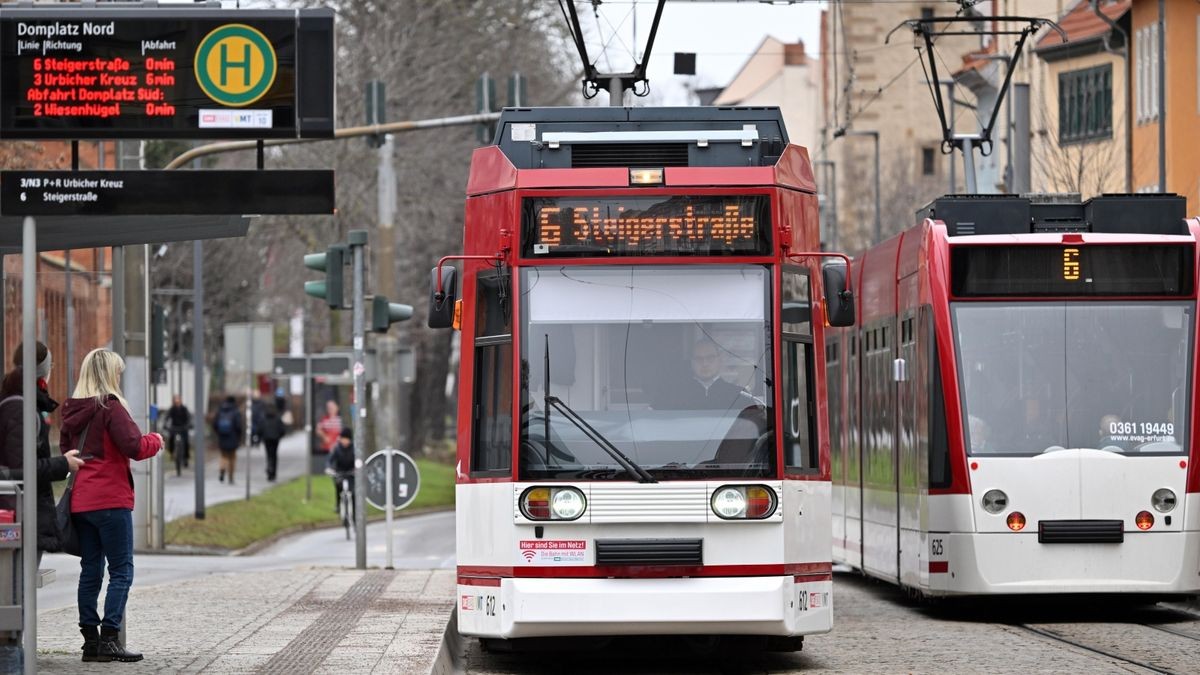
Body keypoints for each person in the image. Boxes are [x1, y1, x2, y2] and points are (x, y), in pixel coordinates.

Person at [60, 348, 162, 663]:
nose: (119, 376)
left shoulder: (71, 411)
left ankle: (90, 641)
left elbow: (66, 450)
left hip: (82, 502)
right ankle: (110, 639)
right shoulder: (111, 407)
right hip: (110, 501)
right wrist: (156, 439)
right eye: (117, 371)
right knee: (121, 570)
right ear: (108, 374)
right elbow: (134, 446)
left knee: (90, 569)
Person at [0, 367, 84, 553]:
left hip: (21, 511)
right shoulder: (18, 411)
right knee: (17, 578)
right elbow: (23, 468)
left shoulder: (12, 407)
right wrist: (64, 464)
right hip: (20, 511)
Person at [655, 339, 748, 411]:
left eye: (710, 358)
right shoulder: (674, 395)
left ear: (719, 360)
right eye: (698, 359)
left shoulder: (739, 395)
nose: (705, 363)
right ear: (691, 362)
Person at [212, 396, 243, 484]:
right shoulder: (236, 411)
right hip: (233, 437)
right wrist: (239, 437)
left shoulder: (220, 410)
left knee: (223, 455)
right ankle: (231, 477)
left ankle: (222, 469)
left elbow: (215, 424)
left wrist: (218, 433)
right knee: (232, 457)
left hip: (222, 437)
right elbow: (238, 426)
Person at [326, 428, 355, 514]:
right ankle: (338, 505)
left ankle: (354, 510)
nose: (345, 441)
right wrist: (329, 468)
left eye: (347, 439)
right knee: (338, 488)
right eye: (343, 439)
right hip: (340, 472)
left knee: (353, 492)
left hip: (351, 472)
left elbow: (359, 460)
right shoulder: (337, 448)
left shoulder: (354, 448)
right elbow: (330, 460)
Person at [259, 404, 287, 482]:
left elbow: (260, 429)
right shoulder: (277, 418)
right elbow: (282, 430)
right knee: (274, 455)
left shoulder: (264, 418)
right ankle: (273, 472)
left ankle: (269, 467)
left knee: (268, 454)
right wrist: (279, 436)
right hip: (275, 439)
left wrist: (260, 437)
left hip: (267, 439)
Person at [165, 394, 191, 468]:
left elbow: (189, 418)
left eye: (178, 400)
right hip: (174, 428)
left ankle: (186, 458)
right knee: (171, 440)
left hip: (183, 428)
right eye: (175, 400)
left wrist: (188, 425)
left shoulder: (184, 409)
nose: (177, 401)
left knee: (186, 442)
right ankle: (172, 453)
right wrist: (166, 425)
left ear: (180, 400)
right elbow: (167, 417)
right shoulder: (172, 409)